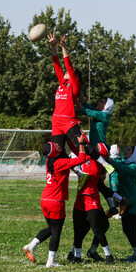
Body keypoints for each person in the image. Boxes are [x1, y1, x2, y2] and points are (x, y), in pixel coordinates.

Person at [47, 32, 114, 178]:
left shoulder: (74, 85)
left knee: (83, 145)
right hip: (56, 121)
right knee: (57, 151)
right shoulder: (62, 83)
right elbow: (56, 63)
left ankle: (105, 164)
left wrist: (63, 47)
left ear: (74, 76)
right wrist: (53, 46)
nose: (65, 72)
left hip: (68, 120)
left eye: (68, 72)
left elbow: (67, 64)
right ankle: (70, 173)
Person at [23, 135, 86, 268]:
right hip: (55, 201)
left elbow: (61, 156)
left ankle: (31, 246)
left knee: (51, 229)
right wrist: (81, 144)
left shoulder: (50, 161)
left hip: (45, 199)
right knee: (56, 231)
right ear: (54, 151)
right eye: (55, 146)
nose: (58, 145)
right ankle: (51, 261)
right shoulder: (60, 162)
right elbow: (82, 159)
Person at [67, 140, 114, 264]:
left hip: (91, 198)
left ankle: (109, 255)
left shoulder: (97, 162)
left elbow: (85, 146)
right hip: (80, 197)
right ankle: (77, 257)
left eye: (97, 147)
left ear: (100, 152)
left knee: (97, 229)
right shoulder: (86, 156)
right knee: (77, 230)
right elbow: (78, 145)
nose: (94, 147)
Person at [109, 145, 136, 263]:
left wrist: (109, 160)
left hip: (134, 202)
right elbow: (118, 166)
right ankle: (135, 253)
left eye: (129, 149)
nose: (126, 150)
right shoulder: (125, 164)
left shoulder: (134, 167)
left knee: (132, 229)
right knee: (126, 229)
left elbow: (120, 168)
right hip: (125, 202)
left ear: (134, 154)